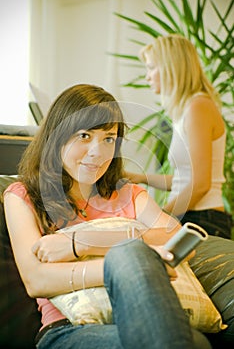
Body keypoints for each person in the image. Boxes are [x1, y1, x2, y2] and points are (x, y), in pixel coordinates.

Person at [3, 84, 211, 349]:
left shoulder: (127, 193)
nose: (97, 152)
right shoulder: (23, 195)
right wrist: (128, 263)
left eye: (109, 139)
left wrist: (82, 243)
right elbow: (36, 281)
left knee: (195, 342)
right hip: (68, 330)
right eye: (84, 136)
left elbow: (178, 238)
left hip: (140, 317)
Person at [125, 34, 232, 239]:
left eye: (151, 68)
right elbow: (185, 180)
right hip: (196, 216)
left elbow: (200, 185)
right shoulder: (186, 110)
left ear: (170, 68)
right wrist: (140, 178)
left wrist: (159, 217)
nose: (147, 76)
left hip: (203, 220)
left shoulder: (198, 107)